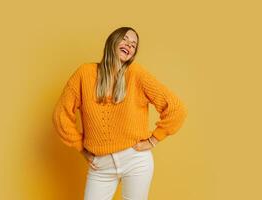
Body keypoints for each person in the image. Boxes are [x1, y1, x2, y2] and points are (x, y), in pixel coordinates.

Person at [52, 26, 188, 200]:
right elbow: (60, 115)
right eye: (125, 39)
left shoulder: (136, 74)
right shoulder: (84, 73)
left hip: (135, 161)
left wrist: (153, 140)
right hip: (100, 165)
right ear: (112, 41)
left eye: (134, 45)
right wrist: (81, 147)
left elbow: (177, 109)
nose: (129, 45)